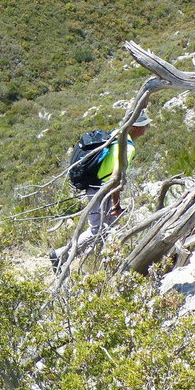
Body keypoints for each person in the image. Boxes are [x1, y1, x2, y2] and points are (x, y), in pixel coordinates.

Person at [50, 111, 152, 270]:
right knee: (97, 232)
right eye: (146, 125)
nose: (147, 127)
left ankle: (111, 263)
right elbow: (114, 179)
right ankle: (60, 256)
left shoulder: (115, 135)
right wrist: (116, 205)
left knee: (110, 230)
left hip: (97, 188)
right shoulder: (127, 147)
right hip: (100, 191)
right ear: (136, 127)